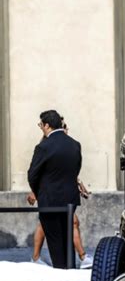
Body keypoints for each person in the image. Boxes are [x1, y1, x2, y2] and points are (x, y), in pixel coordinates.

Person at [27, 110, 82, 268]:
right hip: (70, 198)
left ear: (47, 125)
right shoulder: (74, 144)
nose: (41, 128)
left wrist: (38, 193)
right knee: (67, 238)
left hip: (49, 200)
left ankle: (61, 273)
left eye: (41, 125)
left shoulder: (43, 146)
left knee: (55, 240)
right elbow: (76, 169)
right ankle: (70, 269)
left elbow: (32, 174)